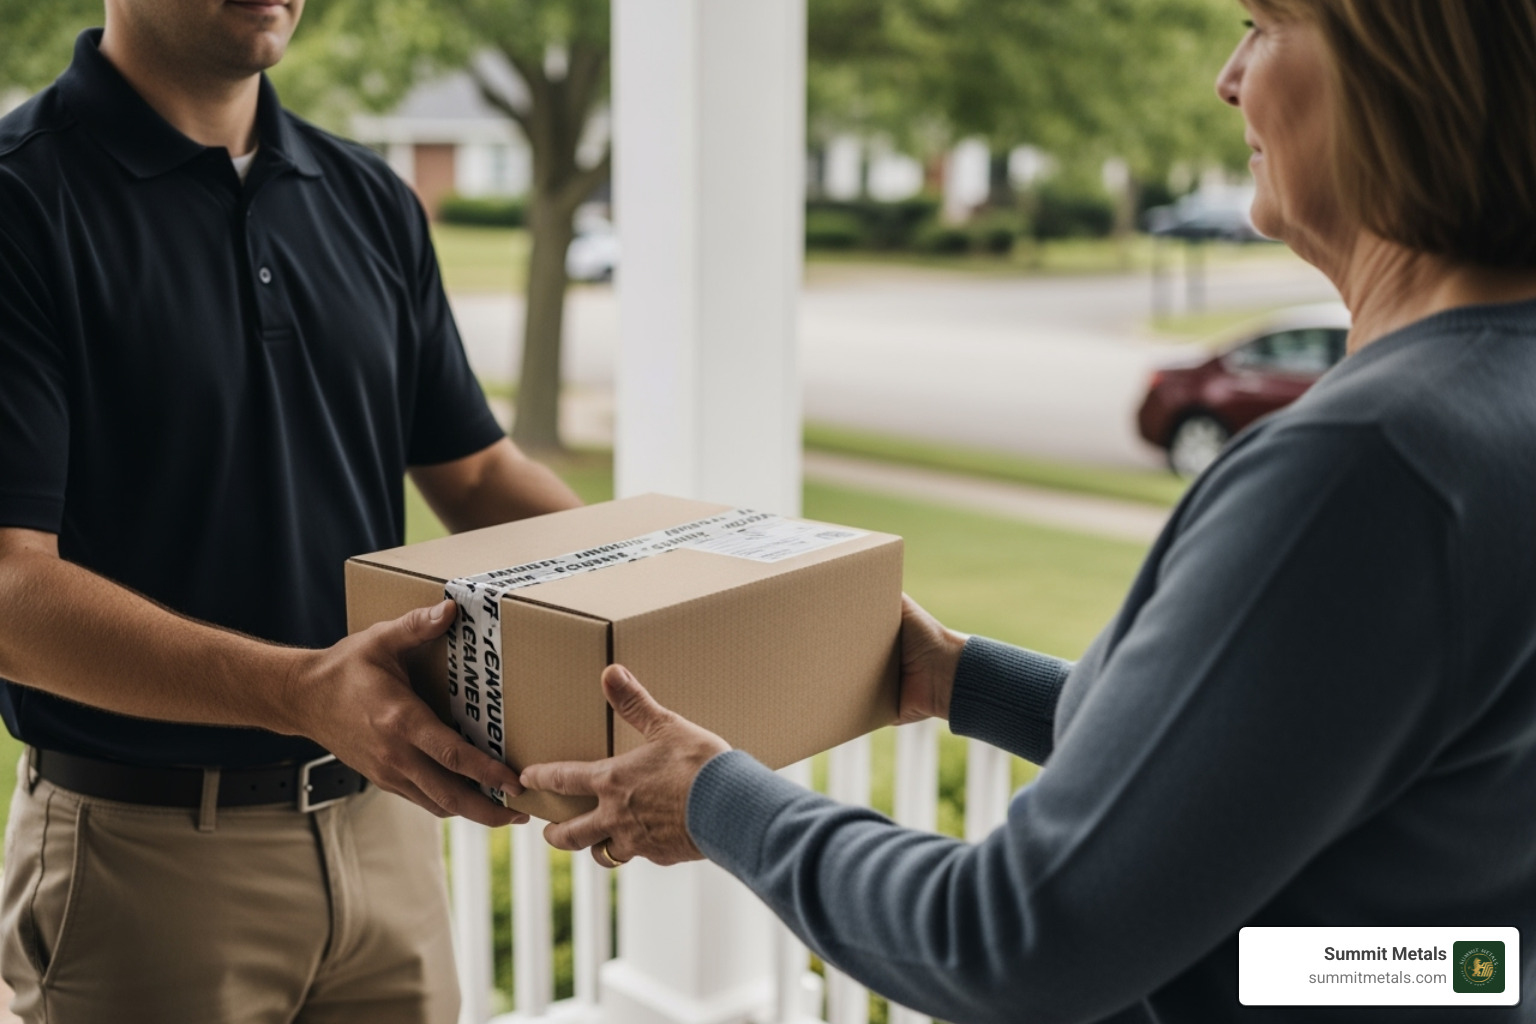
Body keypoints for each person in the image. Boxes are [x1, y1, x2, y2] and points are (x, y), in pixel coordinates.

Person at [519, 2, 1536, 1021]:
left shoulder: (1369, 466)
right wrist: (963, 678)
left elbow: (1009, 941)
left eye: (1262, 26)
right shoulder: (1495, 401)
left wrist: (711, 797)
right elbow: (1399, 898)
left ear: (1402, 68)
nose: (1229, 79)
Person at [0, 1, 580, 1021]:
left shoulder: (370, 198)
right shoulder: (20, 200)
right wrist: (300, 691)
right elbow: (9, 589)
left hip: (389, 836)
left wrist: (665, 594)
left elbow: (480, 476)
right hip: (149, 865)